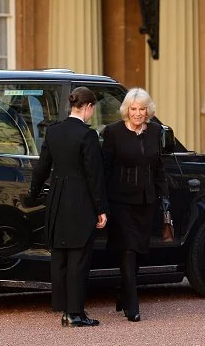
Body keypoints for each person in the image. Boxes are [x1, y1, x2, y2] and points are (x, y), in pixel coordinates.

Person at [28, 86, 108, 327]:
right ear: (88, 106)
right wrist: (101, 208)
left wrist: (32, 193)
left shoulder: (54, 132)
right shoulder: (87, 135)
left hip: (58, 200)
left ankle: (65, 310)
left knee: (60, 257)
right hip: (81, 201)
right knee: (78, 259)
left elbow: (41, 168)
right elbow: (95, 175)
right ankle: (75, 312)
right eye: (93, 109)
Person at [101, 88, 169, 322]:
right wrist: (101, 203)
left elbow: (158, 166)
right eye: (133, 109)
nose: (138, 114)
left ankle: (123, 292)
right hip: (120, 201)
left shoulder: (156, 131)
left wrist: (165, 196)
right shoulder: (112, 132)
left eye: (142, 109)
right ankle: (132, 304)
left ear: (148, 110)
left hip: (146, 201)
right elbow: (104, 169)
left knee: (139, 250)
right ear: (126, 110)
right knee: (127, 250)